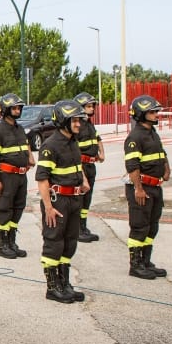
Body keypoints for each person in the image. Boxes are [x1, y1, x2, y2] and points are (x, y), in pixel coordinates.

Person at [35, 100, 90, 304]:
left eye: (79, 120)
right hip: (58, 202)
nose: (79, 124)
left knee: (69, 242)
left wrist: (83, 180)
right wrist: (48, 207)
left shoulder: (73, 142)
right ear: (64, 121)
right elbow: (42, 179)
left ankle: (64, 283)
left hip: (75, 198)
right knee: (54, 243)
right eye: (74, 120)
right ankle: (52, 287)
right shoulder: (50, 145)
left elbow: (77, 165)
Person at [124, 95, 171, 279]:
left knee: (152, 227)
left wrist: (166, 169)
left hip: (155, 188)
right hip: (142, 189)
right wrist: (138, 189)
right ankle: (135, 265)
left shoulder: (152, 133)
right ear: (141, 114)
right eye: (151, 112)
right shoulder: (135, 137)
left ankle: (146, 261)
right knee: (139, 227)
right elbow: (132, 166)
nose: (155, 114)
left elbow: (161, 153)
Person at [0, 93, 33, 260]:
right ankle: (2, 244)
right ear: (5, 110)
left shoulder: (19, 128)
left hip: (21, 177)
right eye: (14, 108)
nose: (17, 110)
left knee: (18, 208)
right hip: (6, 176)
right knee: (5, 209)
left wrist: (29, 157)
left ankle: (12, 241)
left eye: (19, 108)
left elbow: (26, 145)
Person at [74, 92, 105, 243]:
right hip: (82, 166)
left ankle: (83, 226)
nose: (92, 108)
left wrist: (101, 152)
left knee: (87, 199)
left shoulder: (89, 124)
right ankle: (77, 229)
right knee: (80, 198)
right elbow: (75, 152)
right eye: (88, 106)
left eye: (92, 106)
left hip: (91, 164)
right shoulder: (77, 126)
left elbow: (98, 138)